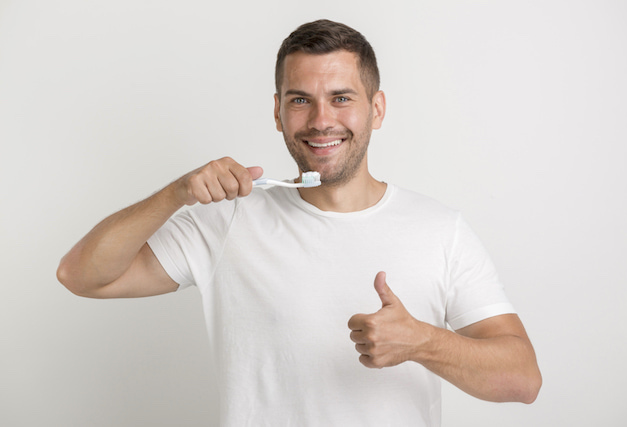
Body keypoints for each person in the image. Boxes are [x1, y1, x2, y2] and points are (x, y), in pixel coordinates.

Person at [57, 19, 541, 426]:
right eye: (300, 100)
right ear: (277, 111)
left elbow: (522, 379)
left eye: (342, 98)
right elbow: (80, 275)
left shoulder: (440, 229)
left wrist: (424, 342)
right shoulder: (227, 221)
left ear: (377, 109)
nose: (320, 120)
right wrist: (175, 194)